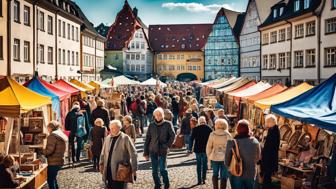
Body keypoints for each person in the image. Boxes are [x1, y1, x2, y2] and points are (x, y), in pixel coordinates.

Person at [99, 120, 138, 189]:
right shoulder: (108, 138)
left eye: (114, 128)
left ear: (119, 128)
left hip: (121, 170)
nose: (112, 130)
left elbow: (133, 153)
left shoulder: (125, 138)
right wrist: (101, 163)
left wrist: (134, 169)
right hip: (108, 170)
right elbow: (103, 153)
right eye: (111, 128)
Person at [144, 108, 176, 189]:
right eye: (156, 115)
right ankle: (157, 184)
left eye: (160, 115)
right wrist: (146, 152)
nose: (158, 116)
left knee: (162, 169)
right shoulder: (151, 125)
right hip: (153, 150)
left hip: (163, 150)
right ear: (154, 116)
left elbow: (172, 136)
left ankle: (166, 183)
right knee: (154, 171)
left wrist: (167, 145)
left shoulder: (168, 124)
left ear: (162, 115)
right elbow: (147, 139)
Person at [225, 120, 261, 189]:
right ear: (248, 129)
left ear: (237, 130)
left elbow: (226, 162)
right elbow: (258, 158)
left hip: (236, 172)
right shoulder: (255, 141)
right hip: (251, 173)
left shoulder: (231, 142)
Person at [206, 119, 232, 189]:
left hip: (214, 157)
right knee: (224, 175)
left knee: (215, 174)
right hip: (225, 157)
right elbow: (231, 148)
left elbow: (208, 147)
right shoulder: (227, 134)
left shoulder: (212, 134)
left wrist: (209, 157)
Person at [42, 121, 68, 189]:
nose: (47, 129)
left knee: (50, 180)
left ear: (51, 128)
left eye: (48, 128)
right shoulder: (59, 134)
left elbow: (49, 151)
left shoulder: (52, 136)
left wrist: (42, 150)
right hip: (59, 160)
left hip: (54, 161)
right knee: (54, 179)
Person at [189, 116, 213, 185]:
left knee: (198, 164)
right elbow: (212, 139)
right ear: (205, 121)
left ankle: (199, 180)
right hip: (206, 149)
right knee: (205, 164)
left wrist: (190, 148)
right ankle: (204, 179)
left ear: (199, 122)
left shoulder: (195, 129)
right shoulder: (209, 128)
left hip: (198, 149)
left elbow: (191, 139)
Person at [260, 114, 280, 189]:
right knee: (267, 176)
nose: (266, 123)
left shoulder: (273, 131)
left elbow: (268, 146)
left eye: (267, 122)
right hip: (270, 157)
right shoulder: (274, 130)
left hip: (269, 157)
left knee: (267, 176)